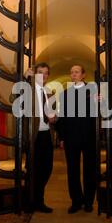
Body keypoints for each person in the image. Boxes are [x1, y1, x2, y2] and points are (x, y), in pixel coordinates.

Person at [56, 65, 97, 213]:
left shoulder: (93, 91)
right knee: (72, 170)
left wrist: (99, 101)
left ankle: (88, 201)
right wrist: (62, 137)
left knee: (90, 170)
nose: (73, 74)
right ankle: (76, 201)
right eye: (71, 72)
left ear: (83, 75)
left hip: (89, 137)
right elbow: (62, 117)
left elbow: (101, 112)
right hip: (71, 137)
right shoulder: (65, 94)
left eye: (77, 72)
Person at [25, 62, 56, 213]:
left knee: (47, 169)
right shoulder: (28, 89)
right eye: (40, 72)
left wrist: (53, 118)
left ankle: (38, 199)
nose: (43, 75)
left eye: (46, 73)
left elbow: (51, 114)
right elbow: (13, 98)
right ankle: (31, 201)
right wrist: (25, 80)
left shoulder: (47, 91)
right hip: (33, 135)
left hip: (46, 135)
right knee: (33, 170)